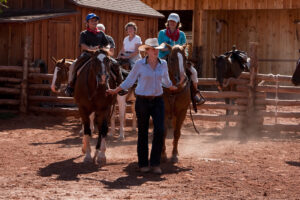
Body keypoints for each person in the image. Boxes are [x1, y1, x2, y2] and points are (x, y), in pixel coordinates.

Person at [107, 38, 177, 174]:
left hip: (157, 100)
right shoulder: (139, 64)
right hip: (142, 101)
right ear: (147, 51)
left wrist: (172, 86)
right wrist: (115, 90)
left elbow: (166, 80)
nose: (156, 51)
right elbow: (129, 80)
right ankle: (143, 163)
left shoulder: (163, 64)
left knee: (160, 131)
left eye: (157, 49)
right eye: (153, 49)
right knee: (143, 132)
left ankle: (155, 163)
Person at [158, 13, 204, 106]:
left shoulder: (182, 34)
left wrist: (184, 55)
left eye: (174, 21)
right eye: (170, 21)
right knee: (155, 70)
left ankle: (194, 93)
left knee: (193, 72)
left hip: (179, 57)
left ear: (177, 23)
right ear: (168, 22)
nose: (172, 23)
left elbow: (185, 47)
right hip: (164, 56)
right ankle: (152, 93)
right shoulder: (162, 33)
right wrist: (173, 49)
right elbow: (161, 47)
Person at [65, 13, 109, 96]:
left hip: (99, 55)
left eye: (96, 20)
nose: (94, 22)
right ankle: (70, 85)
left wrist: (104, 49)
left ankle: (114, 84)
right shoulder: (84, 33)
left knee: (113, 64)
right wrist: (91, 49)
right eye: (92, 20)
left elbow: (106, 44)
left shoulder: (101, 33)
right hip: (87, 54)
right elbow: (83, 45)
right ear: (87, 23)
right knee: (73, 66)